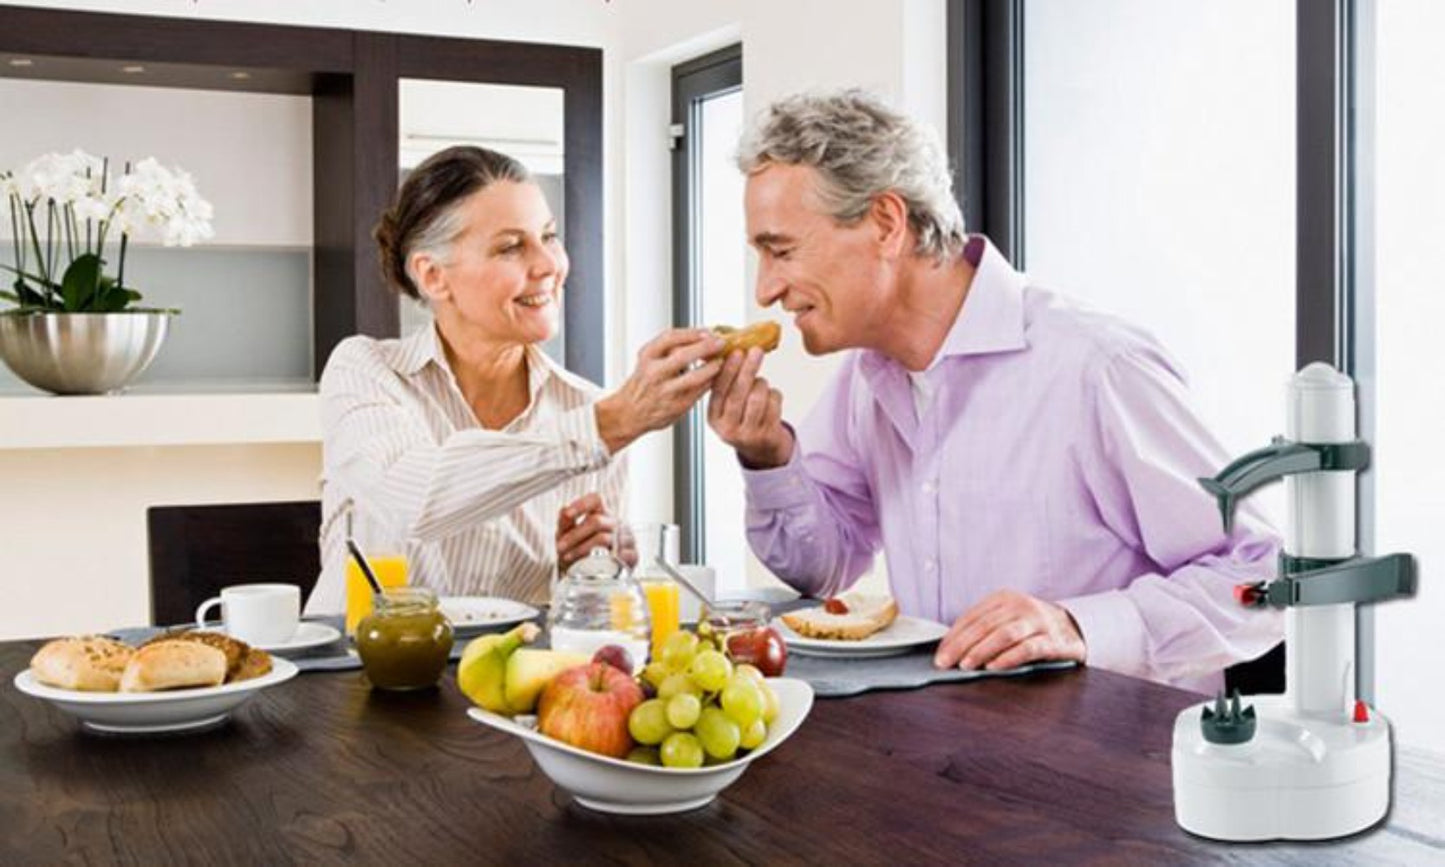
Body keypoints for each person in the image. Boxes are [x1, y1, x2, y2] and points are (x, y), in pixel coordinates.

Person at [707, 91, 1282, 692]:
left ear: (886, 224)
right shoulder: (865, 380)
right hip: (947, 739)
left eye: (781, 251)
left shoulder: (1095, 367)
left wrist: (1080, 626)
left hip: (1108, 749)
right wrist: (768, 457)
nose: (766, 290)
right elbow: (822, 572)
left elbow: (1265, 578)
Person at [307, 146, 724, 614]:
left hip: (508, 661)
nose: (548, 265)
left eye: (549, 236)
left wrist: (586, 575)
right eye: (511, 247)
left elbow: (576, 622)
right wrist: (609, 423)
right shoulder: (367, 372)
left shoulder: (586, 407)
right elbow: (416, 501)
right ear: (433, 275)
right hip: (350, 658)